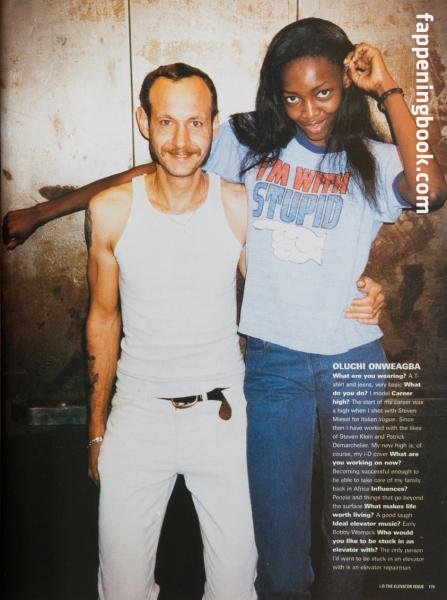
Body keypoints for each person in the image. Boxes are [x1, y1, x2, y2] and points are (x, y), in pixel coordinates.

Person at [203, 18, 446, 600]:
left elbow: (431, 192)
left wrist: (388, 89)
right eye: (293, 97)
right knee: (280, 557)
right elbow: (166, 175)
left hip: (352, 359)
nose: (309, 111)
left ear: (346, 83)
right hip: (273, 362)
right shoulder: (244, 142)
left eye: (324, 92)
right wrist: (46, 211)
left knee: (349, 538)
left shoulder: (374, 157)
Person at [85, 62, 257, 600]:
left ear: (214, 125)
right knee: (122, 589)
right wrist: (97, 429)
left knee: (235, 588)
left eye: (195, 123)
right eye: (166, 122)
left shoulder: (239, 206)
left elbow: (278, 300)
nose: (182, 141)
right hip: (138, 414)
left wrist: (364, 287)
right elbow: (103, 319)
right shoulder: (111, 210)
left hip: (221, 415)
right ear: (144, 121)